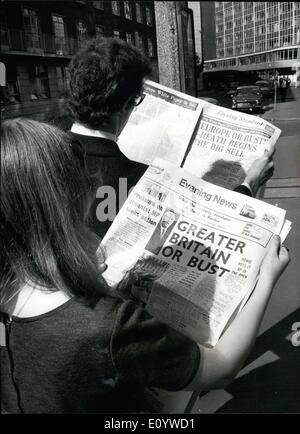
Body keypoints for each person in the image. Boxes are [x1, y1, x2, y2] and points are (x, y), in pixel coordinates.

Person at [0, 118, 290, 414]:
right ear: (64, 206)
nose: (95, 184)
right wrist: (265, 278)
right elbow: (222, 366)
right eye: (85, 185)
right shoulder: (107, 327)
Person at [68, 36, 274, 240]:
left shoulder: (41, 160)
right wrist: (250, 183)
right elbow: (207, 233)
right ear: (125, 105)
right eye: (138, 100)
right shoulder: (142, 181)